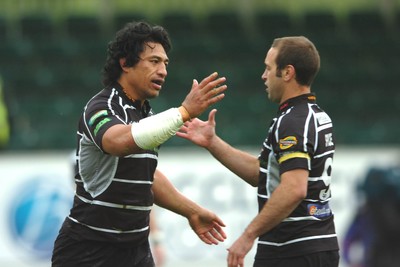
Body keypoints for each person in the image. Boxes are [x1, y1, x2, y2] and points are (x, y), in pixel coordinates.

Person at [52, 21, 228, 267]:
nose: (164, 71)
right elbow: (118, 142)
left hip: (135, 249)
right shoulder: (101, 106)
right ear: (125, 63)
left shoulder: (145, 114)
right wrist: (184, 111)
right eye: (154, 61)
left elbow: (148, 176)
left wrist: (192, 211)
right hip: (88, 249)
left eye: (165, 63)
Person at [177, 36, 339, 267]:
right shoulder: (313, 115)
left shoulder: (293, 122)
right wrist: (212, 142)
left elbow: (294, 188)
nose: (263, 76)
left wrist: (248, 235)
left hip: (293, 249)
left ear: (287, 73)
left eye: (268, 68)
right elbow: (260, 173)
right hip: (315, 244)